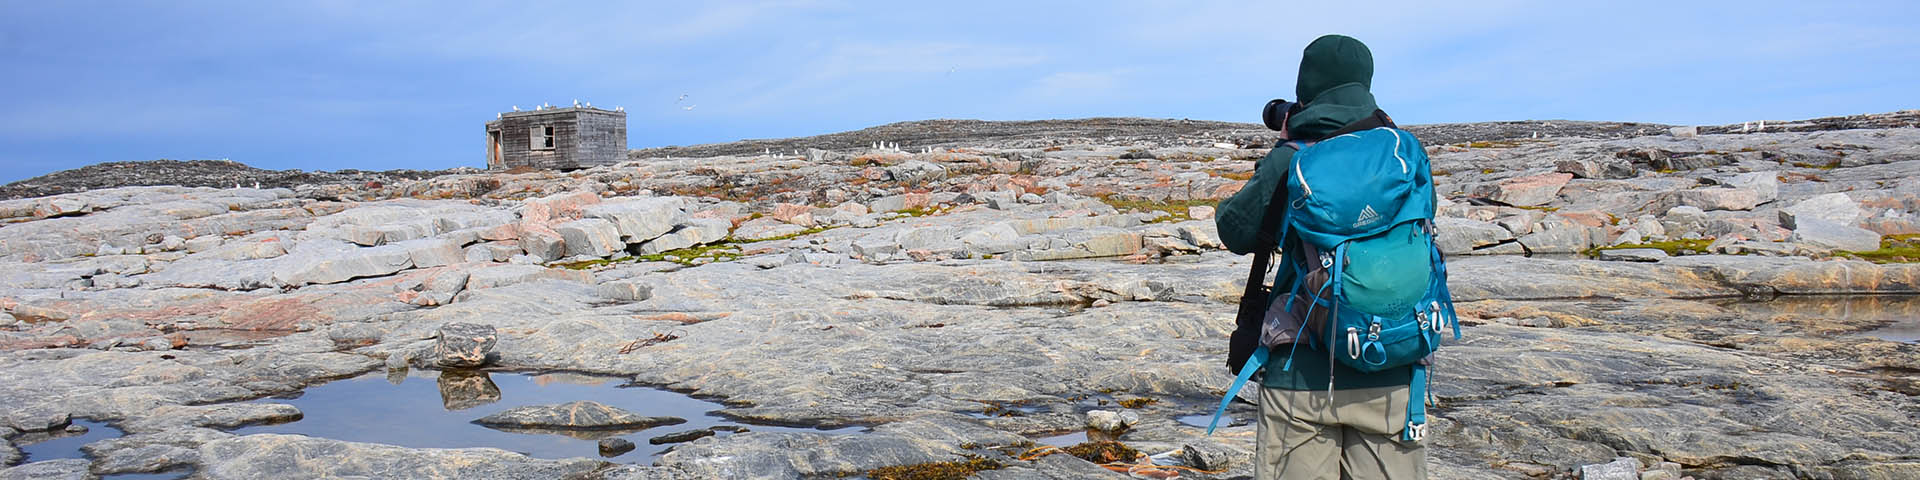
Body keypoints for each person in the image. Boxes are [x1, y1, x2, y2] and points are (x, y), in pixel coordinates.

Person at [1215, 34, 1428, 479]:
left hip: (1301, 372)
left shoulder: (1292, 158)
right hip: (1390, 357)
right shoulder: (1403, 153)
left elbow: (1235, 231)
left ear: (1304, 86)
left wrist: (1281, 152)